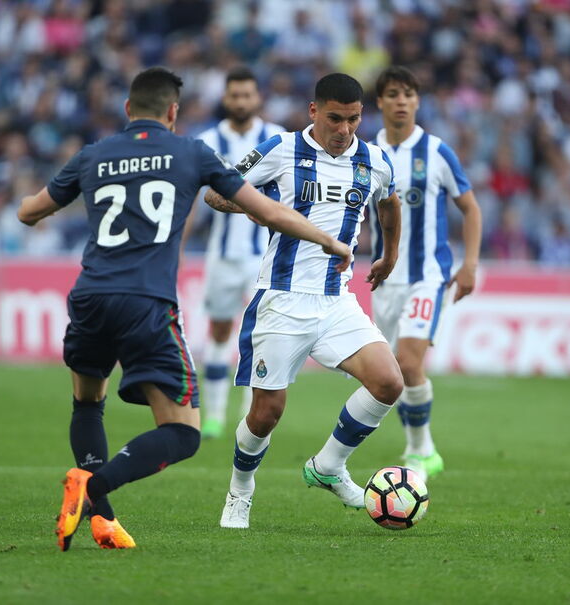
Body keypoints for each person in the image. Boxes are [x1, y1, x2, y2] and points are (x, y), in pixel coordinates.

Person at [17, 67, 352, 551]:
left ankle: (102, 520)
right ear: (174, 112)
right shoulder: (189, 152)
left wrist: (54, 193)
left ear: (129, 109)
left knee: (88, 402)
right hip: (146, 304)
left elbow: (30, 212)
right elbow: (267, 210)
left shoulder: (94, 156)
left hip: (89, 297)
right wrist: (328, 239)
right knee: (182, 433)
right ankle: (95, 489)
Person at [205, 73, 404, 529]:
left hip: (337, 302)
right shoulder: (280, 149)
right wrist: (265, 207)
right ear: (314, 112)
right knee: (266, 413)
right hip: (281, 299)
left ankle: (329, 466)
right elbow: (218, 193)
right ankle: (240, 489)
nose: (345, 129)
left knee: (389, 382)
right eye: (335, 118)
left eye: (354, 119)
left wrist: (388, 255)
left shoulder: (374, 160)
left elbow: (388, 204)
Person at [370, 66, 482, 481]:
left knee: (408, 361)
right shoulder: (366, 154)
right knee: (393, 375)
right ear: (379, 102)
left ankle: (421, 450)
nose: (402, 101)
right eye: (393, 94)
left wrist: (469, 265)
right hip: (383, 279)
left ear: (417, 102)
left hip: (428, 276)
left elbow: (470, 208)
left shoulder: (436, 152)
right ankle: (421, 447)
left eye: (409, 94)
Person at [194, 67, 285, 439]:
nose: (242, 101)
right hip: (222, 255)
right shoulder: (207, 141)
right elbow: (192, 201)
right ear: (225, 98)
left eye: (248, 94)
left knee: (260, 336)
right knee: (218, 331)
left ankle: (249, 415)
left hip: (266, 256)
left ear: (257, 97)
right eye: (235, 95)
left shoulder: (277, 139)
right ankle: (214, 416)